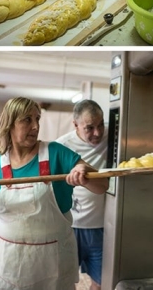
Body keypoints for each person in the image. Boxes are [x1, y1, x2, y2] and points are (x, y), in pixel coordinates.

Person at [0, 97, 108, 289]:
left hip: (52, 264)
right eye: (27, 120)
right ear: (10, 123)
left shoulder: (55, 153)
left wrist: (84, 174)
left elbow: (103, 184)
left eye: (37, 119)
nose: (36, 126)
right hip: (9, 263)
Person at [56, 100, 107, 290]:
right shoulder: (62, 146)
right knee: (63, 282)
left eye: (101, 124)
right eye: (90, 128)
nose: (97, 133)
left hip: (102, 227)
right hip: (70, 226)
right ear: (75, 125)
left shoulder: (115, 136)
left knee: (102, 283)